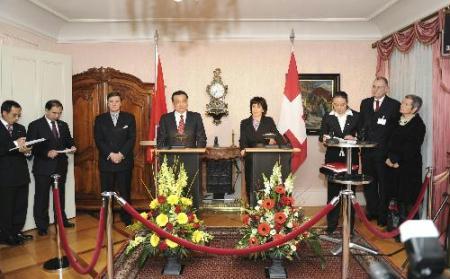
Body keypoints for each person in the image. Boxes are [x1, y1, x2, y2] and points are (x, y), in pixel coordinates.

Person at [27, 100, 77, 236]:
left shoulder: (63, 125)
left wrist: (72, 147)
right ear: (46, 111)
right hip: (43, 167)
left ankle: (61, 220)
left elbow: (69, 140)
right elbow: (31, 148)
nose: (57, 116)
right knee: (41, 197)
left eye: (59, 113)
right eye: (54, 113)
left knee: (60, 195)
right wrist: (46, 153)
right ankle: (42, 226)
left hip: (60, 165)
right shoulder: (35, 125)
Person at [359, 77, 400, 227]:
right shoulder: (365, 103)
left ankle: (383, 216)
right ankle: (372, 211)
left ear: (386, 89)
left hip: (383, 153)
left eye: (379, 87)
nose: (375, 89)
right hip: (367, 152)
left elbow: (395, 131)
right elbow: (361, 125)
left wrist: (391, 153)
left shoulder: (394, 105)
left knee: (384, 185)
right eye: (374, 86)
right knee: (369, 184)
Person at [319, 92, 360, 234]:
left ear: (347, 102)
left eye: (342, 104)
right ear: (332, 104)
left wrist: (354, 137)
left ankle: (349, 226)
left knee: (350, 192)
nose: (339, 107)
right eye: (336, 105)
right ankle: (331, 225)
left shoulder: (356, 115)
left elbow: (363, 134)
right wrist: (326, 139)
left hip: (350, 159)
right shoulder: (328, 116)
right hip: (333, 158)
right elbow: (322, 136)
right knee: (333, 193)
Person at [94, 91, 136, 225]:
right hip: (107, 161)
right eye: (111, 101)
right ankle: (107, 218)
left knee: (124, 192)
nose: (114, 104)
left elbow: (131, 138)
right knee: (107, 192)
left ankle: (127, 218)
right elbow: (98, 140)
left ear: (120, 103)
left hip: (124, 161)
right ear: (108, 103)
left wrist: (121, 154)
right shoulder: (100, 119)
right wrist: (111, 154)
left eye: (117, 101)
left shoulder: (129, 117)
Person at [385, 95, 425, 228]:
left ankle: (410, 231)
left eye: (406, 104)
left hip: (409, 167)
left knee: (408, 200)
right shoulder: (395, 120)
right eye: (403, 102)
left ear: (414, 109)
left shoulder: (418, 125)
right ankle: (395, 228)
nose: (402, 105)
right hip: (392, 164)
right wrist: (389, 158)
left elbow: (412, 148)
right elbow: (388, 141)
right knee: (394, 197)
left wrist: (399, 161)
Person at [239, 96, 285, 201]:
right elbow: (242, 140)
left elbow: (276, 135)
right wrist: (242, 149)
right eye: (253, 106)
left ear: (263, 109)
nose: (255, 109)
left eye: (258, 106)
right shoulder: (244, 123)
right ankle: (252, 207)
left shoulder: (268, 121)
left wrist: (284, 146)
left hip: (266, 157)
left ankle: (266, 207)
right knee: (251, 183)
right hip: (251, 157)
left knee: (265, 183)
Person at [0, 100, 33, 245]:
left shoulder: (21, 128)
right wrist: (15, 145)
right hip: (4, 176)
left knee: (21, 206)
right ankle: (6, 236)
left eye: (19, 115)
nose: (17, 118)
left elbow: (26, 151)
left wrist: (27, 152)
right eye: (14, 115)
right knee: (6, 208)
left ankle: (17, 232)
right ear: (4, 113)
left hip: (21, 174)